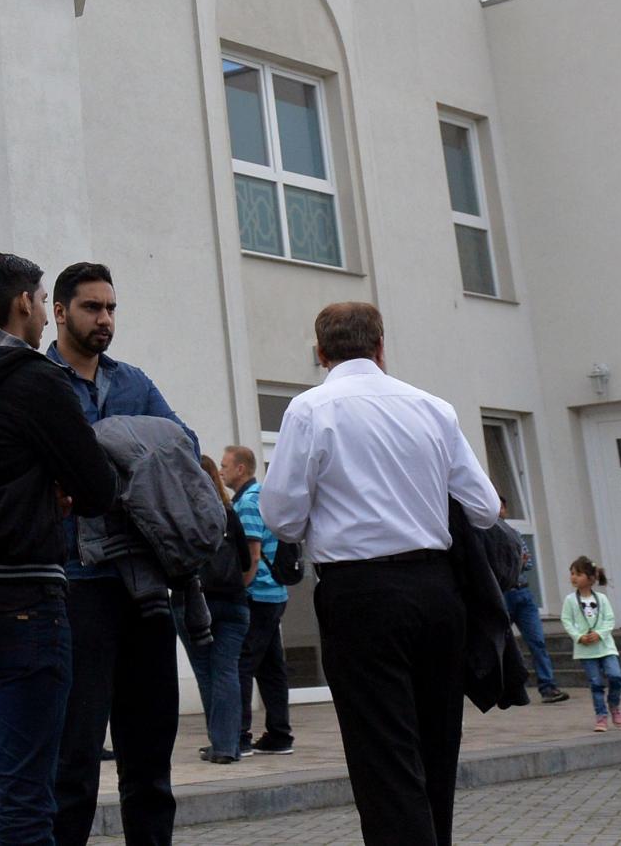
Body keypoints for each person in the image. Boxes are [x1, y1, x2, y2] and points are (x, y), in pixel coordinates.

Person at [261, 303, 501, 846]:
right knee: (437, 748)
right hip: (438, 593)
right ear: (381, 346)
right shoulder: (433, 408)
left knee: (384, 759)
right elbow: (484, 507)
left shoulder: (309, 410)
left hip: (360, 595)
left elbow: (282, 517)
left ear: (319, 353)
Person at [0, 250, 117, 846]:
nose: (41, 315)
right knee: (27, 794)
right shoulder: (37, 381)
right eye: (39, 302)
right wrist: (58, 490)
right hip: (26, 604)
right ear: (23, 305)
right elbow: (98, 487)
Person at [46, 261, 194, 846]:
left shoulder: (132, 381)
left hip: (143, 588)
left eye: (111, 308)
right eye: (91, 307)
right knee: (74, 766)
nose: (104, 318)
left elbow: (184, 445)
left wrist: (107, 453)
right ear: (59, 311)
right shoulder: (39, 380)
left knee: (150, 766)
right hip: (76, 586)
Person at [220, 444, 293, 757]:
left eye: (225, 466)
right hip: (275, 593)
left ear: (241, 469)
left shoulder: (248, 503)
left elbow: (250, 554)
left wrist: (240, 588)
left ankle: (240, 736)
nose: (221, 471)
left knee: (242, 664)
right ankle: (279, 734)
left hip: (258, 594)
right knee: (271, 667)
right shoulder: (262, 497)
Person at [178, 456, 250, 764]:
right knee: (227, 671)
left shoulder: (183, 514)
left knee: (207, 674)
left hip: (194, 602)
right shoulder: (229, 513)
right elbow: (247, 562)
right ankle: (227, 745)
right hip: (234, 603)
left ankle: (219, 743)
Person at [480, 502, 567, 705]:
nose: (499, 510)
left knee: (537, 642)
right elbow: (493, 566)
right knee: (496, 643)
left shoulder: (515, 534)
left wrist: (512, 562)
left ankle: (548, 687)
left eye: (502, 506)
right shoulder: (485, 535)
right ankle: (497, 690)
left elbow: (526, 563)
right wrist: (513, 561)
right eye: (496, 506)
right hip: (502, 595)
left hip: (524, 594)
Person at [561, 558, 621, 731]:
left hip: (606, 647)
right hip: (586, 651)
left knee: (616, 676)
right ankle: (601, 716)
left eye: (578, 574)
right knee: (596, 683)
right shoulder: (570, 600)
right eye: (572, 573)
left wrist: (600, 634)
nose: (573, 577)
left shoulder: (602, 599)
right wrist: (579, 637)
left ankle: (614, 705)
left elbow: (609, 619)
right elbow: (566, 621)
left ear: (590, 578)